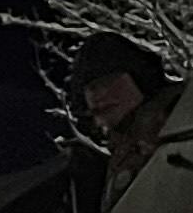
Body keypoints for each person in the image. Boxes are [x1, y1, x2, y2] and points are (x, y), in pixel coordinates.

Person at [70, 32, 175, 191]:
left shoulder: (180, 126)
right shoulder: (120, 152)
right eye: (89, 87)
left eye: (107, 81)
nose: (97, 95)